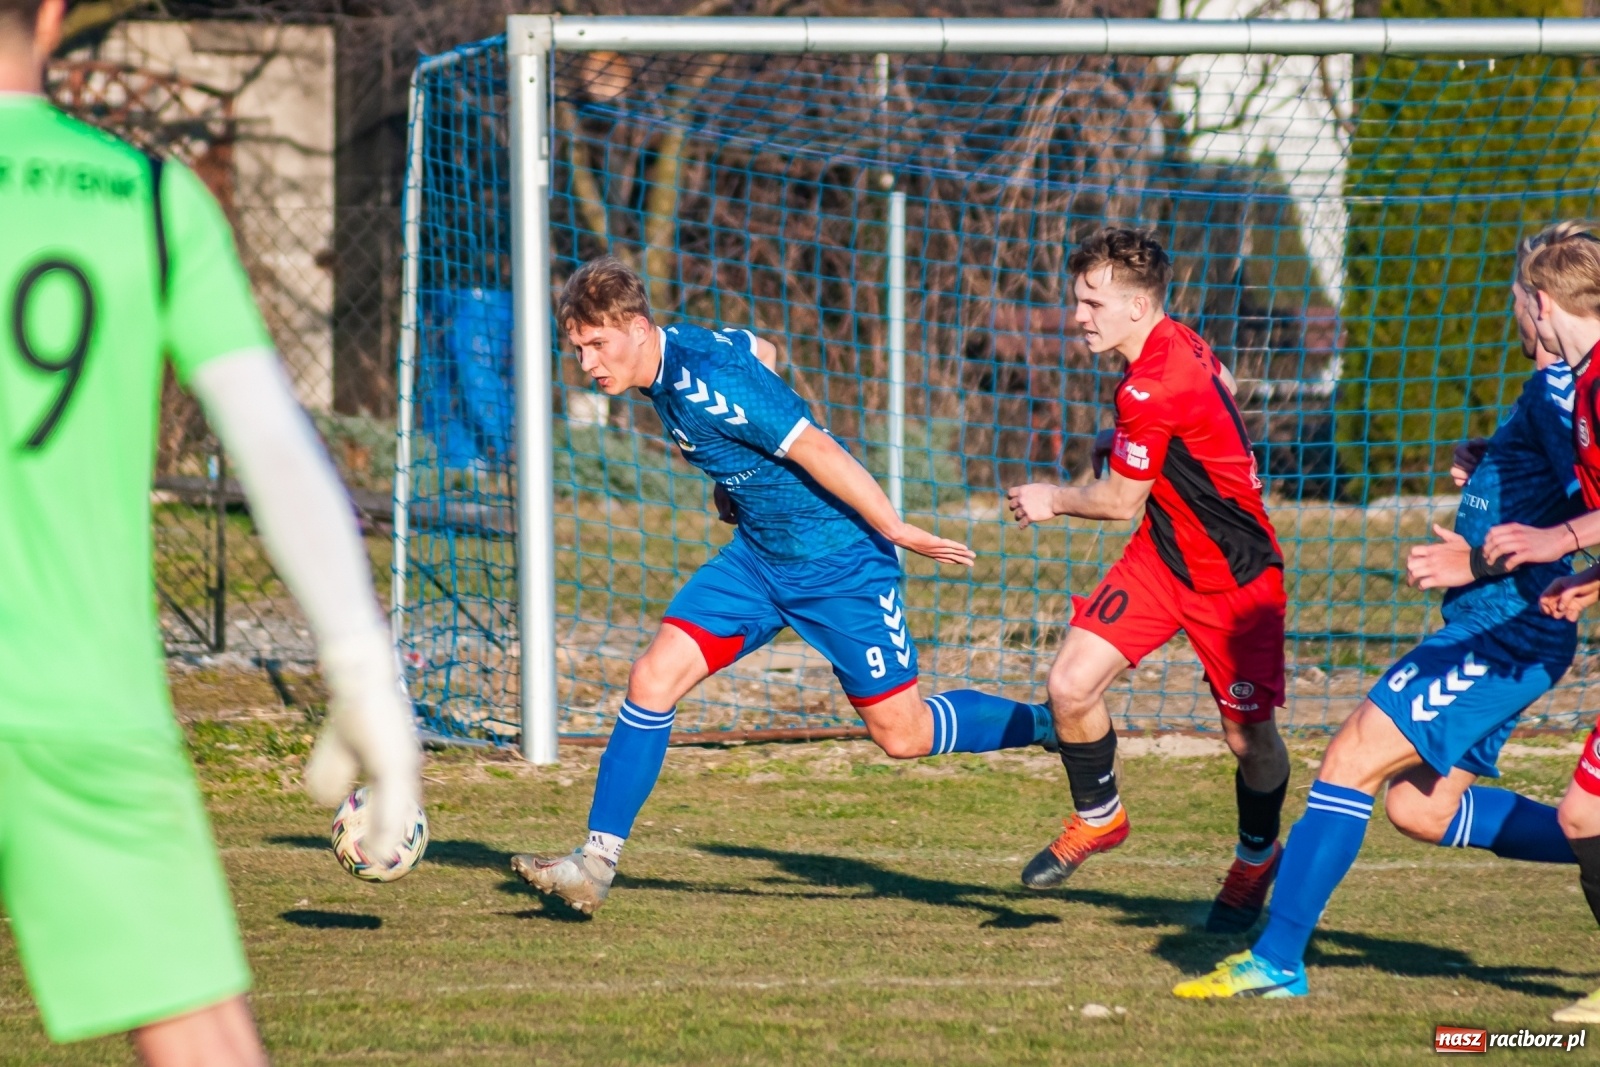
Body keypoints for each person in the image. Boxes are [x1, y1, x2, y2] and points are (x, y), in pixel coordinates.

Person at [0, 0, 421, 1061]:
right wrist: (363, 664)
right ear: (54, 16)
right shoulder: (143, 198)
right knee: (203, 1037)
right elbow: (276, 451)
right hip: (77, 697)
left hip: (78, 699)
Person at [512, 256, 1057, 915]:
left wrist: (896, 526)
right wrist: (734, 473)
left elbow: (818, 450)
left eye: (597, 343)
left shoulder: (708, 379)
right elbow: (763, 347)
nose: (587, 362)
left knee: (902, 733)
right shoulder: (675, 354)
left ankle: (1050, 722)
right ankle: (594, 863)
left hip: (840, 560)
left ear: (637, 326)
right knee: (653, 677)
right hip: (759, 560)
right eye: (576, 348)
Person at [1176, 226, 1588, 1000]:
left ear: (1539, 303)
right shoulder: (1552, 389)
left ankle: (1276, 962)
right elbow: (1569, 483)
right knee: (1421, 809)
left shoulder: (1569, 389)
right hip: (1495, 618)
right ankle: (1591, 839)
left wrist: (1478, 558)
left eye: (1513, 301)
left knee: (1348, 761)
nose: (1513, 316)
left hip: (1504, 624)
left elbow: (1590, 497)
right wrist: (1492, 463)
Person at [1006, 227, 1292, 934]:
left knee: (1248, 739)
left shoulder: (1149, 381)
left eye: (1091, 301)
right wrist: (1157, 448)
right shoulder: (1176, 342)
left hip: (1235, 578)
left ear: (1137, 307)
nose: (1079, 314)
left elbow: (1116, 500)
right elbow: (1220, 386)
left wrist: (1053, 496)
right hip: (1164, 556)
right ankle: (1100, 818)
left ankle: (1257, 856)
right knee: (1070, 686)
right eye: (1078, 299)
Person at [1474, 221, 1600, 1023]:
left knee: (1586, 813)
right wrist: (1587, 575)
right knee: (1584, 813)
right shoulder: (1585, 385)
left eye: (1523, 302)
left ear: (1543, 302)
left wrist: (1559, 538)